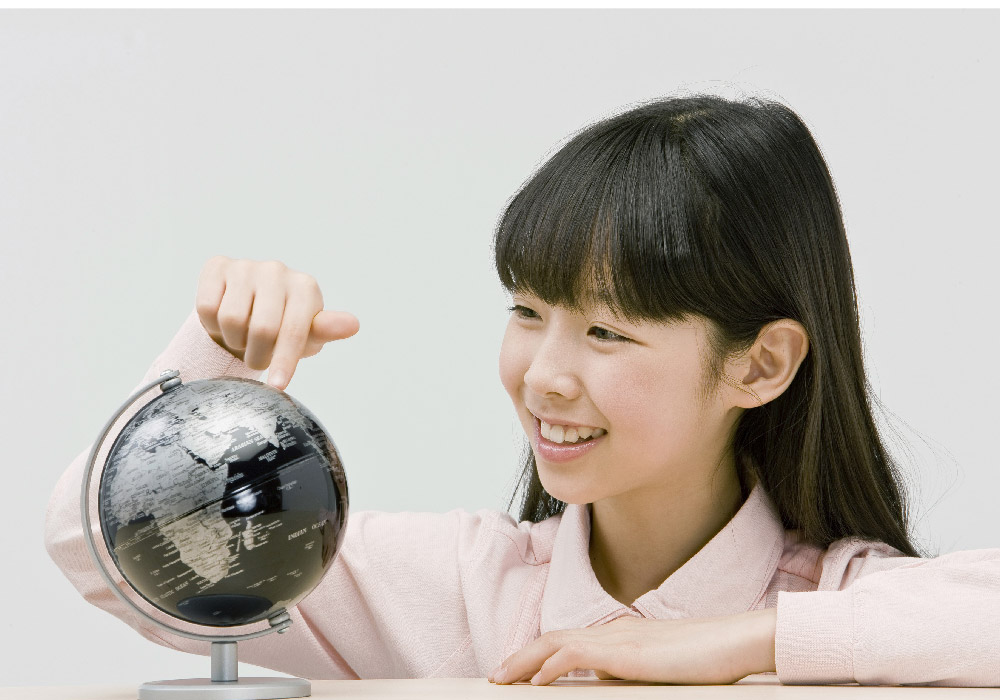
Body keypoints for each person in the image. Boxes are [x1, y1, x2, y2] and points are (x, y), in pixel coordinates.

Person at [45, 94, 1000, 687]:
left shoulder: (843, 600)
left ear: (761, 365)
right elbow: (97, 552)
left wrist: (751, 642)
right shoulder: (463, 590)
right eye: (528, 312)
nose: (542, 375)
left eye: (608, 331)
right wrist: (216, 358)